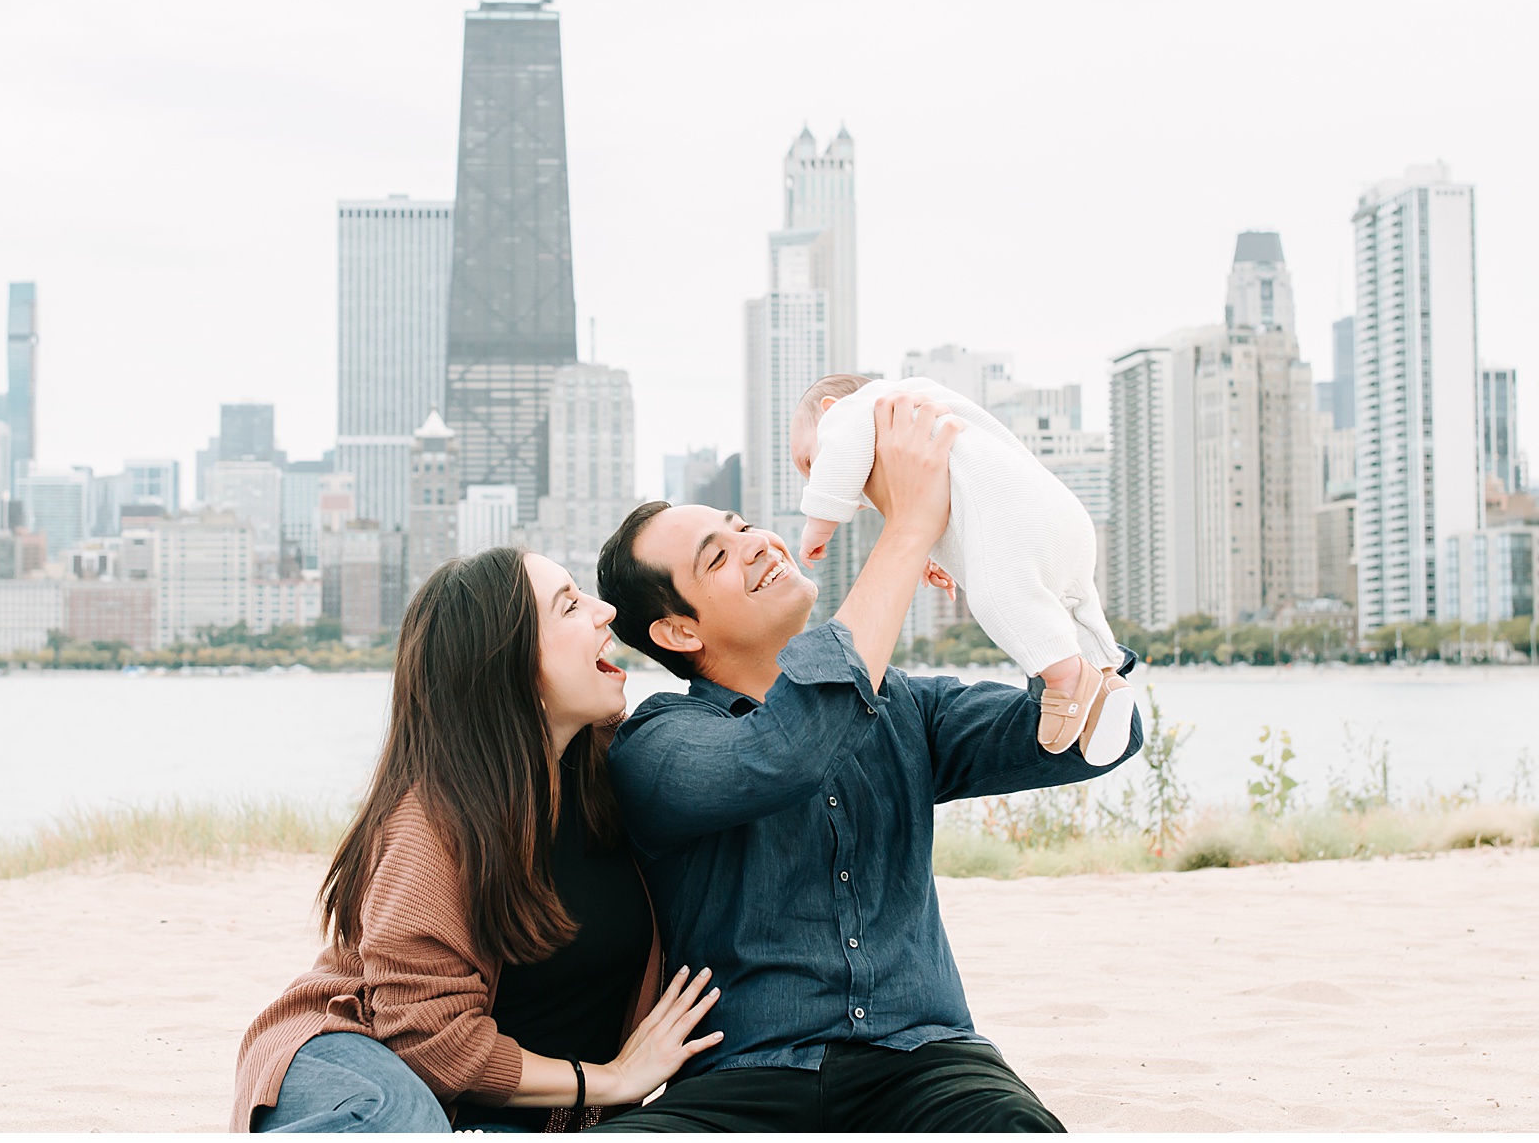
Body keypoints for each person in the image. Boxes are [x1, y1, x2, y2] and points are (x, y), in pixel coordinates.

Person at [591, 389, 1142, 1132]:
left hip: (930, 1059)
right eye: (718, 555)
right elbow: (782, 755)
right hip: (746, 1075)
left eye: (745, 525)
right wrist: (909, 528)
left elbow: (1097, 741)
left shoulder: (907, 707)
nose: (758, 542)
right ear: (677, 631)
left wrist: (996, 560)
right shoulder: (656, 744)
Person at [231, 548, 723, 1132]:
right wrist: (610, 1078)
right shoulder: (436, 820)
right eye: (568, 606)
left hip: (496, 1115)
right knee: (403, 1119)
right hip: (354, 1059)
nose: (604, 611)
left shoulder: (622, 770)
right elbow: (425, 1039)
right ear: (510, 668)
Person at [794, 373, 1133, 765]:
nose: (812, 475)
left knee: (998, 599)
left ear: (830, 411)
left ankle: (1067, 679)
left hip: (1018, 521)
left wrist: (819, 520)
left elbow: (839, 459)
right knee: (1075, 600)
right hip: (1064, 516)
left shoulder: (859, 411)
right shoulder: (930, 413)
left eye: (808, 462)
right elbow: (958, 496)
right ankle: (1104, 669)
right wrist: (931, 554)